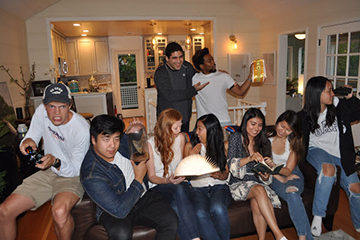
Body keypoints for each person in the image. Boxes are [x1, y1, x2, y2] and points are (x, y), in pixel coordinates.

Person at [0, 83, 90, 240]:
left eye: (62, 106)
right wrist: (27, 141)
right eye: (51, 106)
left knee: (60, 212)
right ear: (44, 105)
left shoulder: (81, 128)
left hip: (73, 175)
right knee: (4, 211)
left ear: (70, 105)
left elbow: (76, 168)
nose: (56, 113)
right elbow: (32, 135)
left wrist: (55, 161)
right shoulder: (41, 112)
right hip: (49, 170)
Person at [80, 115, 178, 240]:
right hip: (116, 206)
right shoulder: (91, 174)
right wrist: (138, 178)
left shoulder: (121, 143)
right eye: (106, 139)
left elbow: (142, 150)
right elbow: (119, 210)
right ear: (93, 140)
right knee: (121, 234)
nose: (112, 145)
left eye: (116, 138)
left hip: (141, 197)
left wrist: (139, 130)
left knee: (170, 220)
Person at [297, 76, 360, 236]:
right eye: (329, 90)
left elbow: (357, 112)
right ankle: (318, 216)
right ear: (317, 94)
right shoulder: (303, 116)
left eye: (332, 90)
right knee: (328, 169)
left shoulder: (339, 107)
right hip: (316, 150)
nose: (332, 93)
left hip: (340, 153)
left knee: (356, 189)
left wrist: (350, 97)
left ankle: (358, 225)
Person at [227, 108, 287, 240]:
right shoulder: (236, 138)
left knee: (256, 203)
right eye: (253, 124)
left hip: (257, 183)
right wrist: (249, 158)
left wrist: (266, 170)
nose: (256, 128)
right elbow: (230, 164)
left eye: (260, 125)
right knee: (260, 190)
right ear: (245, 122)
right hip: (238, 183)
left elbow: (265, 177)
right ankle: (279, 235)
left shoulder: (264, 142)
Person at [146, 108, 200, 240]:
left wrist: (187, 167)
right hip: (159, 187)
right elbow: (151, 177)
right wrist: (168, 181)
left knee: (176, 205)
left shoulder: (180, 138)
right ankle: (195, 238)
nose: (179, 131)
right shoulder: (149, 144)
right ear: (165, 127)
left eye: (180, 126)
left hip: (178, 185)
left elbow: (181, 166)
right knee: (179, 190)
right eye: (176, 128)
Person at [184, 113, 231, 240]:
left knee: (218, 208)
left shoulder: (222, 145)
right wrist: (192, 156)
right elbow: (186, 176)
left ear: (211, 130)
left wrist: (218, 175)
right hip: (198, 189)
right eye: (197, 128)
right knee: (199, 213)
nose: (197, 132)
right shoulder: (190, 146)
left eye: (200, 129)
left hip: (219, 187)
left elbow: (225, 174)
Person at [268, 110, 313, 240]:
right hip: (274, 178)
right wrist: (280, 178)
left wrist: (275, 168)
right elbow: (263, 167)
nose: (283, 131)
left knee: (292, 192)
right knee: (293, 195)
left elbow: (288, 170)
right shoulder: (266, 139)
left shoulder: (293, 143)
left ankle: (302, 237)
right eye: (282, 126)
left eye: (288, 130)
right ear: (278, 122)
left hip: (293, 173)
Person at [154, 42, 209, 132]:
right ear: (167, 58)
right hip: (167, 120)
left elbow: (200, 77)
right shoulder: (160, 73)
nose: (179, 61)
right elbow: (170, 95)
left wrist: (216, 73)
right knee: (167, 145)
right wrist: (193, 90)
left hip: (184, 118)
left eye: (180, 57)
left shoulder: (187, 67)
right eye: (174, 58)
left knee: (183, 143)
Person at [192, 47, 253, 126]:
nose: (213, 62)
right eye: (209, 61)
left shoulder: (224, 76)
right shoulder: (194, 79)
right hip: (205, 124)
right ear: (201, 66)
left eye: (213, 59)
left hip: (223, 122)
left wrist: (250, 76)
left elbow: (240, 92)